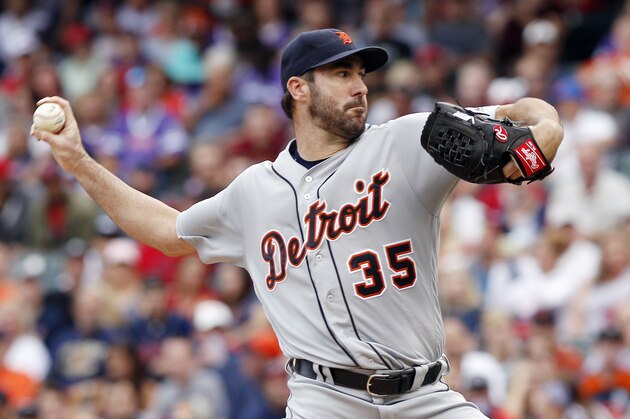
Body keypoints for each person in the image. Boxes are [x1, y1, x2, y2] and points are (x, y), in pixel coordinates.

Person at [32, 28, 563, 418]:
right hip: (323, 403)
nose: (359, 86)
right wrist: (79, 162)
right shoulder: (255, 191)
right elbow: (168, 234)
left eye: (360, 73)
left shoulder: (406, 140)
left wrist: (542, 117)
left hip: (425, 399)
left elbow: (528, 137)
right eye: (340, 73)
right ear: (298, 89)